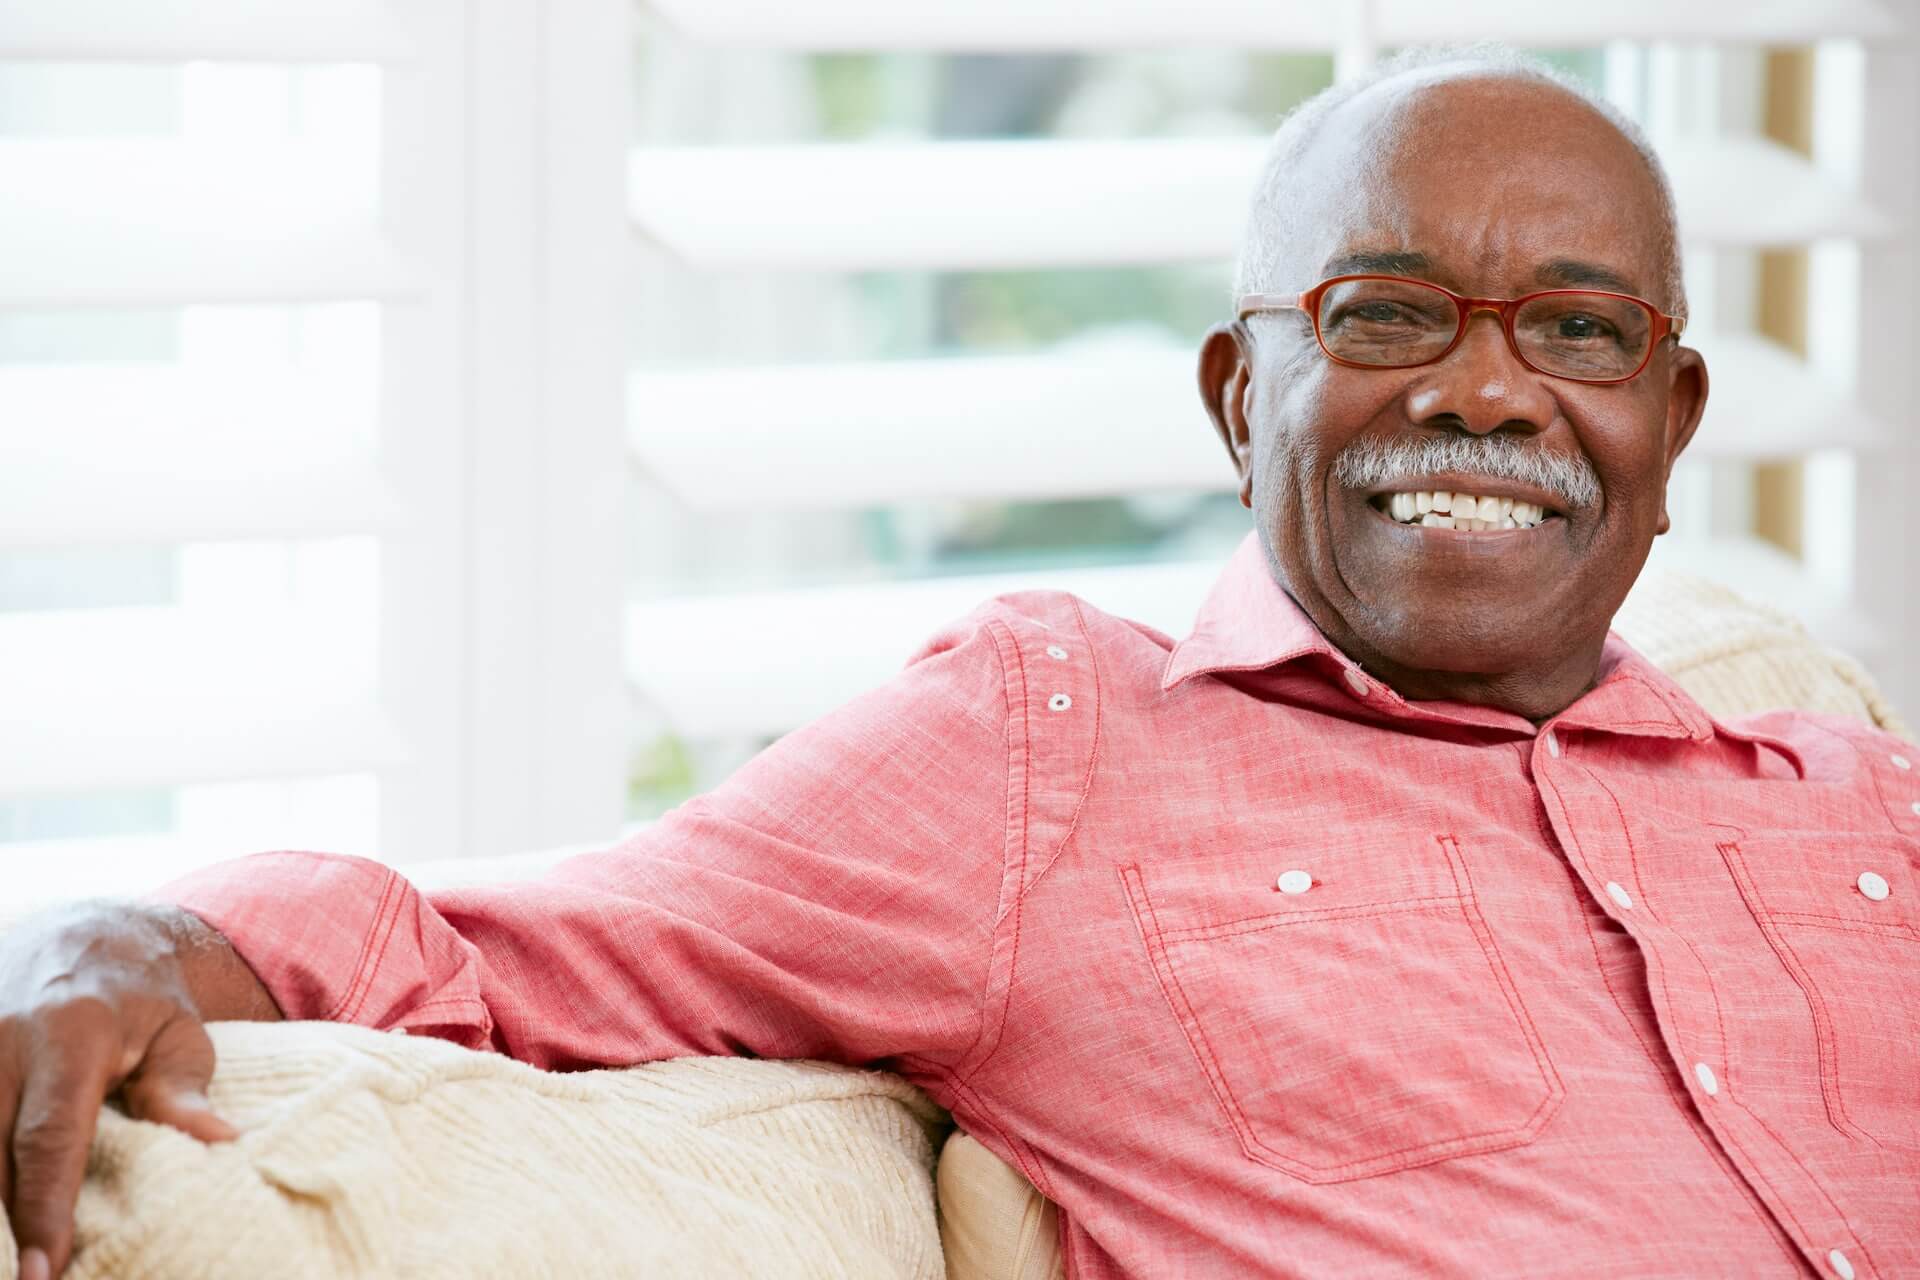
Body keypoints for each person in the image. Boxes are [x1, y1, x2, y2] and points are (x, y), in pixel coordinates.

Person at [4, 46, 1916, 1280]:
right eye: (1389, 312)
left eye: (1576, 333)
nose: (1487, 387)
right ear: (1245, 399)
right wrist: (114, 941)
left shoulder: (1864, 805)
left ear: (1667, 421)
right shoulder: (1052, 749)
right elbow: (501, 948)